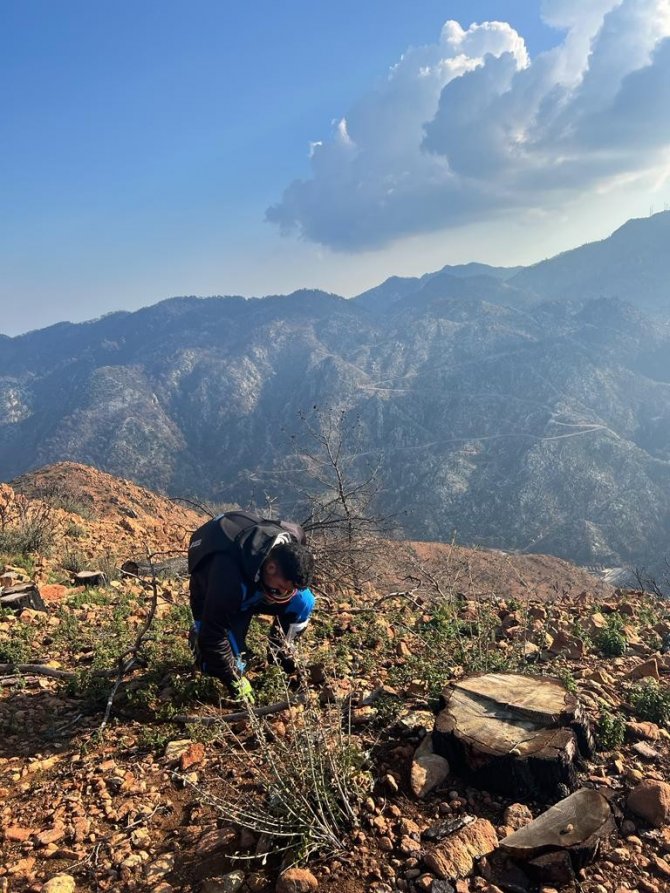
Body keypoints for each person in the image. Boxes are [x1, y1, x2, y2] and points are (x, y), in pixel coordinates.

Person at [187, 510, 315, 703]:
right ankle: (197, 637)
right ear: (271, 568)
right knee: (226, 662)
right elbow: (213, 637)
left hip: (255, 582)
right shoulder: (227, 578)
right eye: (281, 588)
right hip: (216, 596)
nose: (283, 594)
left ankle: (281, 654)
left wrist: (278, 590)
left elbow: (292, 583)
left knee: (304, 601)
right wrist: (236, 681)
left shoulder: (294, 537)